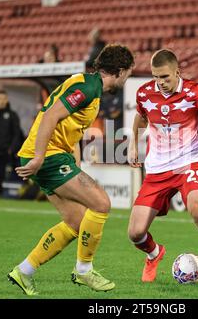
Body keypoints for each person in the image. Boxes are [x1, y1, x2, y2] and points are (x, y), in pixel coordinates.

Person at [8, 44, 134, 295]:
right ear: (119, 71)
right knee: (101, 202)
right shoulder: (87, 88)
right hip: (46, 156)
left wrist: (74, 159)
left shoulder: (91, 88)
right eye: (129, 72)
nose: (128, 77)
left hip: (54, 155)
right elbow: (50, 116)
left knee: (76, 222)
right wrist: (40, 157)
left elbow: (70, 126)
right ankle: (84, 271)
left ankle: (24, 271)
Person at [127, 49, 198, 289]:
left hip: (188, 162)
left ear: (177, 72)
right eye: (156, 77)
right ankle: (154, 254)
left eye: (165, 77)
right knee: (135, 234)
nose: (161, 83)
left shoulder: (194, 92)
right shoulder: (145, 93)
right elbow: (141, 117)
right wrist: (133, 144)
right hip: (157, 170)